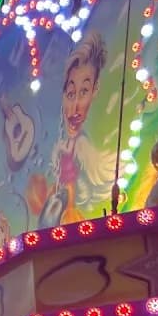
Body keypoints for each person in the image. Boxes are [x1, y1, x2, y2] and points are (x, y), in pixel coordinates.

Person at [50, 30, 115, 222]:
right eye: (70, 94)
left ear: (95, 90)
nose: (76, 106)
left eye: (84, 91)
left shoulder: (86, 148)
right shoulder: (62, 147)